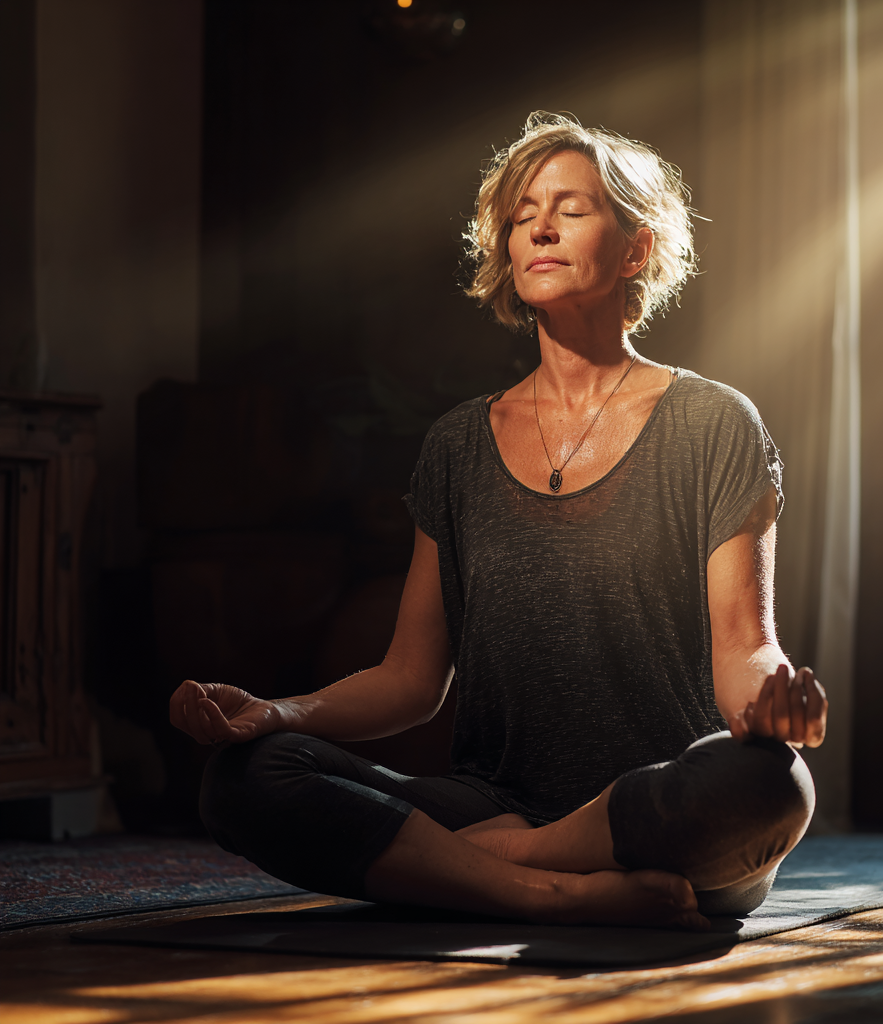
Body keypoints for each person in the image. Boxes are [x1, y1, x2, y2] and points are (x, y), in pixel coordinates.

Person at [170, 112, 827, 930]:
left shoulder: (714, 422)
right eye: (522, 216)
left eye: (572, 209)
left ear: (636, 249)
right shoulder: (457, 445)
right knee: (245, 776)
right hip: (492, 799)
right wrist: (278, 712)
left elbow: (746, 648)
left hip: (660, 797)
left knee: (770, 783)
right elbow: (411, 680)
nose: (540, 228)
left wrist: (773, 703)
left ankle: (491, 863)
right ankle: (553, 890)